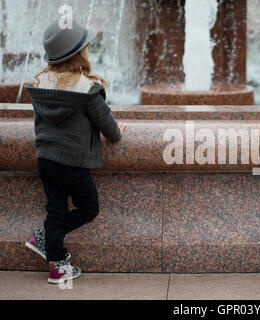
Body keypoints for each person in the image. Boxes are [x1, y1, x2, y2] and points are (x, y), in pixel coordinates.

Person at [24, 21, 126, 283]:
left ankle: (55, 259)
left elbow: (40, 122)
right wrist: (118, 132)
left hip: (45, 159)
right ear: (80, 54)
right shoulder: (88, 90)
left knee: (56, 209)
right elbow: (109, 129)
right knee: (89, 207)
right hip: (72, 163)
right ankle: (49, 243)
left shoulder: (40, 83)